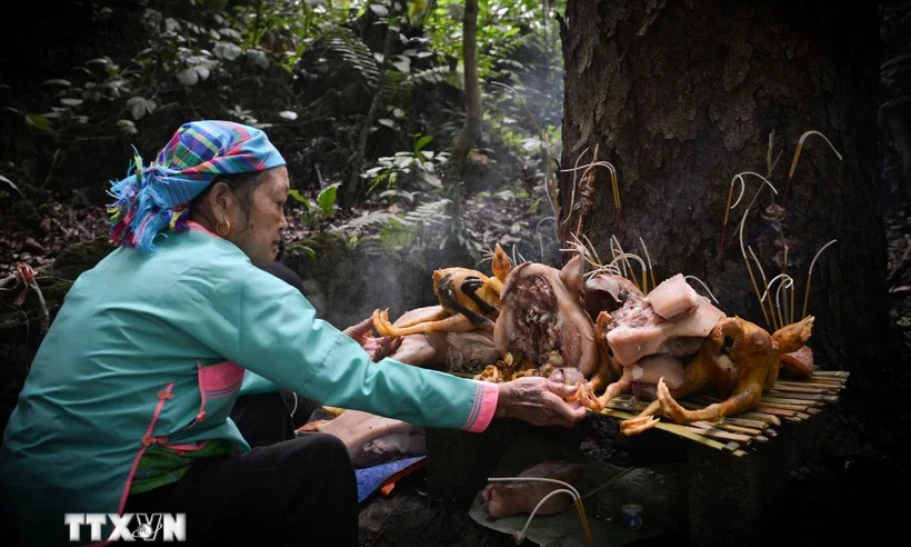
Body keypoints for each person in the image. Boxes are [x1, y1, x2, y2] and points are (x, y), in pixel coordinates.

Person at [0, 120, 587, 547]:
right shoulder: (217, 275)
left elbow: (183, 370)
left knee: (258, 411)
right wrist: (499, 398)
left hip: (38, 505)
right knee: (319, 463)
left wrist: (326, 348)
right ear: (225, 202)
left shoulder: (136, 257)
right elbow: (350, 381)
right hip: (104, 527)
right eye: (277, 202)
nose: (285, 218)